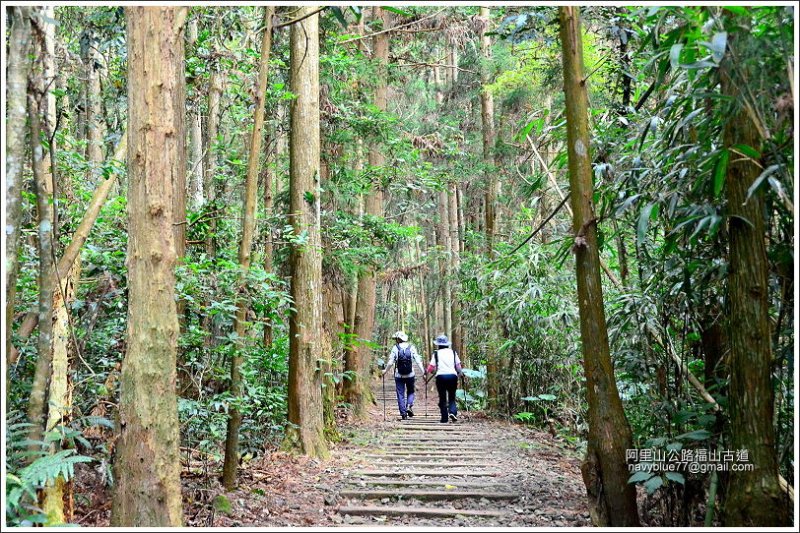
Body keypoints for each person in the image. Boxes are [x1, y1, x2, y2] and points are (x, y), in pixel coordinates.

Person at [382, 331, 425, 420]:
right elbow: (418, 360)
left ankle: (403, 414)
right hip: (410, 374)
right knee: (411, 391)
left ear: (398, 339)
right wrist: (423, 372)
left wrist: (385, 371)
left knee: (400, 394)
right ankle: (409, 405)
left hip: (399, 375)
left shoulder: (395, 348)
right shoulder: (411, 347)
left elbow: (390, 362)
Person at [426, 334, 463, 423]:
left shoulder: (436, 354)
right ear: (447, 344)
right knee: (452, 397)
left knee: (442, 398)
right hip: (452, 377)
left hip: (441, 377)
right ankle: (453, 412)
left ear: (438, 344)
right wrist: (461, 373)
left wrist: (430, 372)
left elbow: (431, 368)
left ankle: (444, 418)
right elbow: (458, 366)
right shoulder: (453, 352)